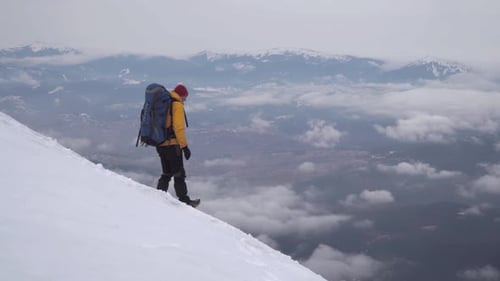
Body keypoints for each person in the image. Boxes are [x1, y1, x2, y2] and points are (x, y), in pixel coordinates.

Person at [156, 84, 200, 207]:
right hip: (172, 144)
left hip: (160, 144)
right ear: (181, 95)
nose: (185, 101)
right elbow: (179, 128)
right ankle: (184, 201)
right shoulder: (176, 105)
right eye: (185, 98)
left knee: (166, 173)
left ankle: (157, 196)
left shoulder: (165, 102)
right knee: (179, 174)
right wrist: (184, 147)